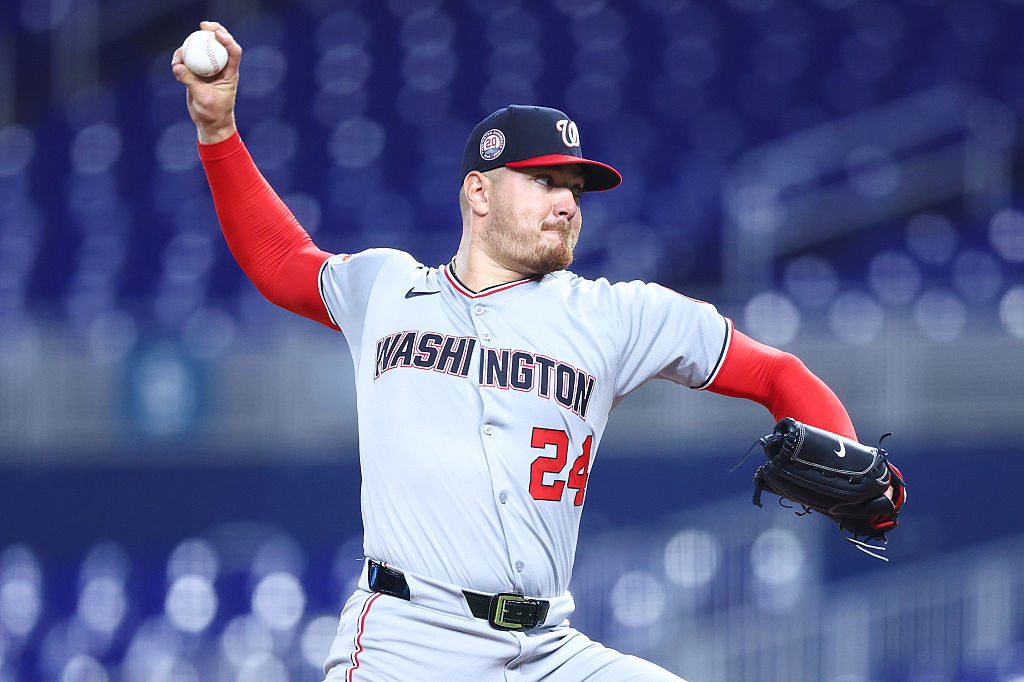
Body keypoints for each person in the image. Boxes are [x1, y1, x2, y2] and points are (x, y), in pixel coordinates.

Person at [172, 22, 901, 681]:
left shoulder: (616, 315)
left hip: (549, 649)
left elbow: (778, 373)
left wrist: (851, 459)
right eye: (545, 180)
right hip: (408, 643)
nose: (568, 201)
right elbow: (278, 259)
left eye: (575, 186)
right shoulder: (387, 288)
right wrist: (218, 130)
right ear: (479, 192)